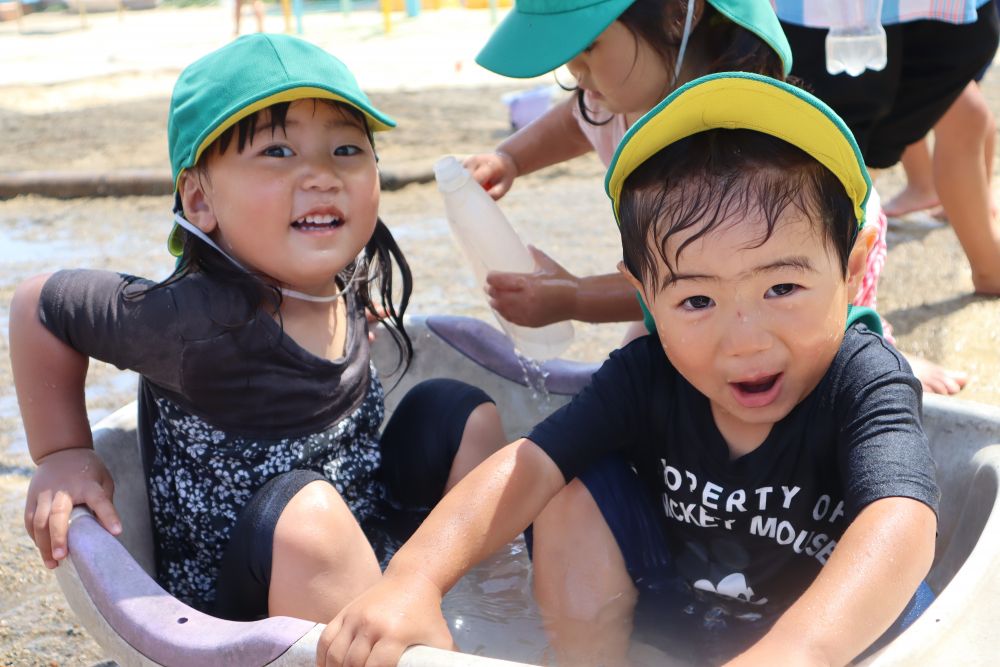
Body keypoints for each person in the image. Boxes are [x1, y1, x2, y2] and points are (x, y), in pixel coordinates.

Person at [316, 73, 940, 667]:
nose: (744, 341)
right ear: (643, 292)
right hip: (683, 614)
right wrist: (413, 579)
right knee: (567, 487)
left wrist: (801, 652)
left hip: (837, 631)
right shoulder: (647, 374)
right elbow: (527, 467)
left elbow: (902, 520)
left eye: (782, 287)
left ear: (853, 268)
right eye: (697, 301)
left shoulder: (862, 378)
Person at [10, 34, 504, 624]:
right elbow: (38, 304)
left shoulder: (337, 275)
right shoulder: (191, 321)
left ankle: (483, 612)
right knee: (311, 517)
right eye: (277, 152)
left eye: (347, 149)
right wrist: (62, 451)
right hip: (251, 602)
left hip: (364, 531)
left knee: (464, 413)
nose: (322, 175)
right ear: (199, 200)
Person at [465, 0, 791, 344]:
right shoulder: (616, 100)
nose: (573, 67)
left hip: (778, 315)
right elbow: (576, 123)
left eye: (588, 46)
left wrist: (576, 297)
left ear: (677, 13)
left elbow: (690, 277)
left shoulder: (735, 144)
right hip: (680, 301)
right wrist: (510, 159)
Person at [775, 1, 1000, 329]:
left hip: (938, 14)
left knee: (969, 111)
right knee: (829, 166)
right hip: (828, 20)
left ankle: (987, 264)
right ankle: (852, 328)